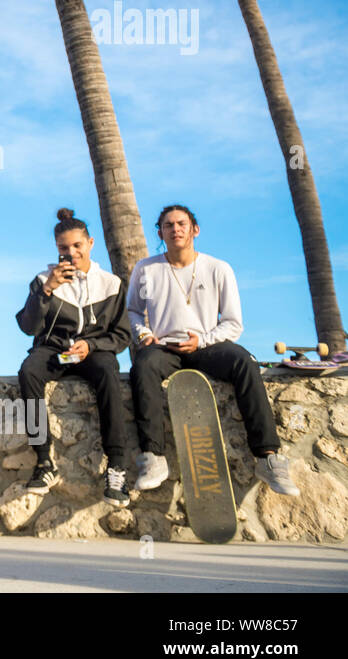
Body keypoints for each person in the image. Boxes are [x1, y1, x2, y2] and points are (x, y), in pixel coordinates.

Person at [128, 204, 299, 496]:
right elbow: (132, 310)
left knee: (244, 362)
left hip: (206, 345)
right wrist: (144, 334)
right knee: (143, 366)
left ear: (195, 229)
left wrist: (202, 340)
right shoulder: (146, 268)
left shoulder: (218, 268)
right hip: (165, 348)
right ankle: (154, 459)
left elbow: (233, 323)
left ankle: (268, 457)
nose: (175, 229)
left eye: (182, 223)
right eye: (168, 225)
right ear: (160, 233)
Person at [16, 208, 134, 506]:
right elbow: (28, 326)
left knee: (109, 370)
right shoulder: (43, 280)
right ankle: (43, 461)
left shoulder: (111, 284)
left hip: (93, 352)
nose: (71, 253)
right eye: (63, 248)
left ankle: (116, 466)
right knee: (28, 370)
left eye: (77, 246)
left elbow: (121, 335)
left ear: (90, 243)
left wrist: (91, 347)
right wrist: (46, 291)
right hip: (53, 351)